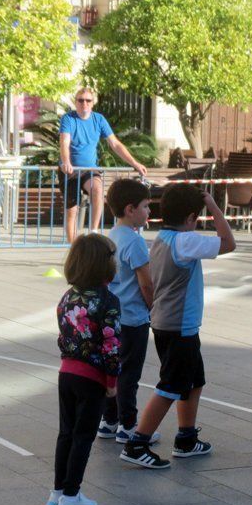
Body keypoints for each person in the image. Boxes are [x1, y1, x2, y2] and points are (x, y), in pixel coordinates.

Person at [119, 185, 236, 469]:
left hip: (169, 323)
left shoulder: (163, 237)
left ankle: (186, 438)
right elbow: (228, 243)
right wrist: (214, 206)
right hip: (178, 326)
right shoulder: (186, 241)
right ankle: (137, 443)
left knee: (194, 382)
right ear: (191, 217)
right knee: (170, 385)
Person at [48, 233, 121, 505]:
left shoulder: (68, 297)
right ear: (105, 265)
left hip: (66, 373)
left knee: (66, 433)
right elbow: (111, 343)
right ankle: (71, 495)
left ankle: (57, 492)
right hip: (92, 377)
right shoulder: (108, 300)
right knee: (83, 436)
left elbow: (63, 334)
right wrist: (112, 382)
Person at [97, 179, 160, 445]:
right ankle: (129, 425)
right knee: (129, 374)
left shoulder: (110, 236)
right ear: (130, 209)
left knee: (112, 370)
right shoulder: (135, 242)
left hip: (112, 317)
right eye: (146, 206)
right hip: (133, 318)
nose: (149, 212)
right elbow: (146, 283)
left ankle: (109, 420)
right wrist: (153, 306)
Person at [59, 87, 148, 244]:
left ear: (93, 103)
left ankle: (93, 233)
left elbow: (115, 144)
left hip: (89, 169)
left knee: (98, 189)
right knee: (72, 210)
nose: (84, 103)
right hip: (70, 170)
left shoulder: (98, 119)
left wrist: (135, 163)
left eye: (88, 100)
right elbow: (64, 142)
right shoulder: (68, 118)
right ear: (76, 102)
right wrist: (66, 162)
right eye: (81, 100)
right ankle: (73, 247)